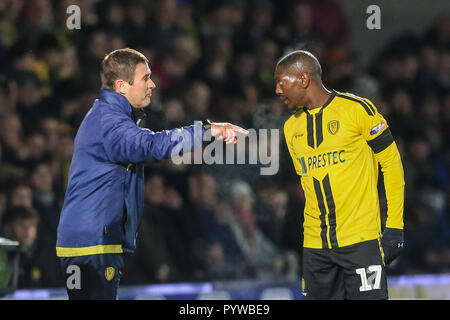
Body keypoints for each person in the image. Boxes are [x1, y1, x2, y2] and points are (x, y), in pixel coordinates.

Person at [56, 48, 248, 300]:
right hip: (93, 244)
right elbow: (150, 146)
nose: (153, 84)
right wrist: (205, 130)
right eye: (145, 78)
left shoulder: (107, 116)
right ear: (122, 86)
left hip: (90, 239)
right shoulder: (110, 122)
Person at [275, 50, 405, 300]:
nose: (278, 91)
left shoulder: (357, 110)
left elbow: (391, 164)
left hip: (360, 241)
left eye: (282, 83)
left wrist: (394, 226)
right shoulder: (291, 128)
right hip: (316, 246)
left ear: (303, 80)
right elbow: (307, 186)